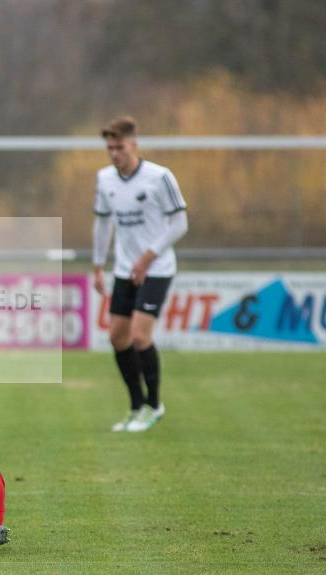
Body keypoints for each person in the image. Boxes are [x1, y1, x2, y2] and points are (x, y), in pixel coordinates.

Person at [92, 116, 188, 433]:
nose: (114, 153)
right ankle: (136, 407)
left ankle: (154, 405)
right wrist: (97, 265)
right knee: (117, 337)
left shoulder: (159, 177)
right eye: (110, 148)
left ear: (134, 144)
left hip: (156, 269)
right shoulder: (105, 179)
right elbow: (103, 224)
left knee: (140, 335)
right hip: (124, 269)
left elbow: (179, 224)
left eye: (119, 147)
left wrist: (149, 256)